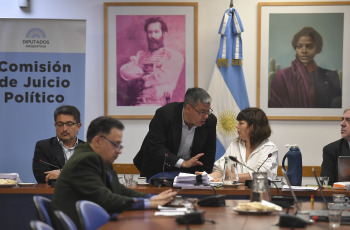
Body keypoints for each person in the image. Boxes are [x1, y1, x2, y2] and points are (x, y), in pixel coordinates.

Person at [52, 116, 177, 229]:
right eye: (115, 144)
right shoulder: (85, 160)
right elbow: (106, 199)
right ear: (97, 141)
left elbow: (119, 190)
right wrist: (149, 203)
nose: (119, 151)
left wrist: (152, 198)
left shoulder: (100, 159)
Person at [133, 87, 217, 180]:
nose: (206, 116)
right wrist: (183, 163)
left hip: (189, 172)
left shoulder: (210, 121)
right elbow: (156, 147)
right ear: (188, 108)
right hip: (159, 168)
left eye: (208, 111)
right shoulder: (165, 114)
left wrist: (203, 178)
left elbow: (209, 154)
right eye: (202, 112)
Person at [268, 27, 341, 108]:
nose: (304, 51)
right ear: (295, 48)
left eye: (309, 47)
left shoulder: (331, 76)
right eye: (299, 46)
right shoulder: (282, 76)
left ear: (317, 49)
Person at [201, 107, 278, 182]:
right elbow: (221, 170)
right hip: (234, 193)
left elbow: (263, 175)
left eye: (241, 123)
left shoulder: (270, 149)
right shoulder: (235, 144)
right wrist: (207, 177)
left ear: (253, 127)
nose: (236, 126)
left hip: (258, 192)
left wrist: (233, 177)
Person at [120, 17, 184, 106]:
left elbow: (164, 76)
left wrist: (141, 77)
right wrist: (141, 69)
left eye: (156, 32)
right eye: (150, 32)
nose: (152, 36)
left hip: (158, 106)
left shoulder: (174, 56)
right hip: (136, 106)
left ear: (164, 34)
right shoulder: (141, 55)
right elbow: (124, 72)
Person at [32, 105, 84, 183]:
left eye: (69, 124)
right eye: (60, 124)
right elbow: (41, 177)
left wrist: (62, 173)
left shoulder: (87, 149)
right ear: (55, 126)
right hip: (54, 194)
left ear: (78, 126)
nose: (64, 129)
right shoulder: (44, 147)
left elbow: (93, 175)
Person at [321, 107, 350, 185]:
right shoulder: (331, 150)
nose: (342, 124)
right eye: (342, 119)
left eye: (348, 120)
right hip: (341, 196)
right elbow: (327, 184)